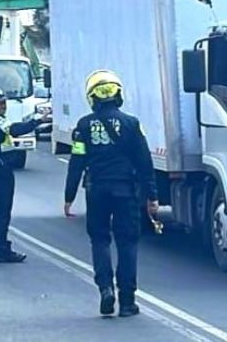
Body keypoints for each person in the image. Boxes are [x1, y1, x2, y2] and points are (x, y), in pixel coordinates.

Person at [64, 70, 158, 318]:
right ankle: (127, 301)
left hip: (96, 191)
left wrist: (69, 196)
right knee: (127, 243)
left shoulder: (83, 126)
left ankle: (105, 288)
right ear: (118, 94)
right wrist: (152, 196)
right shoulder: (132, 124)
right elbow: (144, 163)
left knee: (100, 240)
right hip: (126, 191)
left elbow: (77, 162)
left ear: (92, 97)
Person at [0, 87, 44, 263]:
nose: (3, 106)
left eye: (4, 102)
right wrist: (37, 120)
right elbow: (15, 130)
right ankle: (2, 249)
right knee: (2, 211)